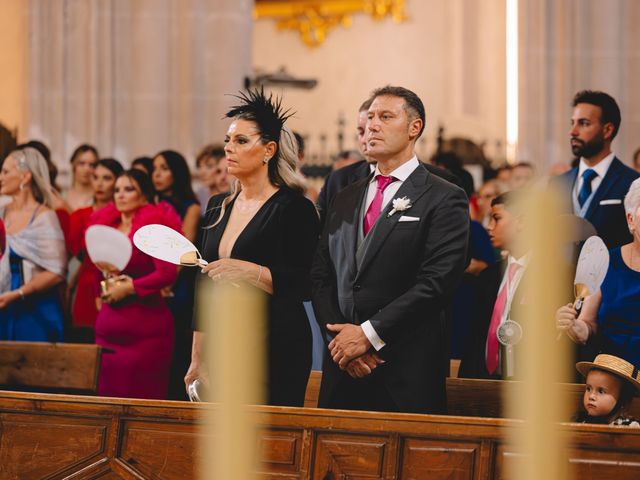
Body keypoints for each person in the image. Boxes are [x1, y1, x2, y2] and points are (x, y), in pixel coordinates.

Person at [311, 86, 469, 414]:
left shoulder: (443, 196)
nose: (372, 126)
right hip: (344, 368)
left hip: (404, 368)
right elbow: (322, 274)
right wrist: (342, 344)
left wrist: (368, 335)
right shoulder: (345, 196)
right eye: (369, 118)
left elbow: (436, 283)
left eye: (385, 117)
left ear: (415, 128)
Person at [185, 88, 320, 407]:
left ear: (268, 150)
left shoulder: (293, 207)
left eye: (241, 141)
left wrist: (250, 271)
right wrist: (196, 356)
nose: (229, 149)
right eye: (228, 141)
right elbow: (203, 285)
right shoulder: (218, 206)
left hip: (274, 340)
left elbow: (307, 282)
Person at [90, 169, 180, 399]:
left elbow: (167, 273)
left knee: (140, 400)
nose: (121, 195)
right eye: (117, 190)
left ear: (144, 195)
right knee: (106, 400)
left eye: (129, 189)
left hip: (145, 331)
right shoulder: (106, 225)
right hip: (108, 329)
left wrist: (130, 287)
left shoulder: (154, 227)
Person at [556, 178, 640, 368]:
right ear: (630, 220)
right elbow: (588, 325)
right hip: (613, 377)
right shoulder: (605, 260)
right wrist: (573, 326)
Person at [553, 90, 639, 249]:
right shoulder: (557, 184)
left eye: (584, 123)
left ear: (607, 130)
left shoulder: (632, 182)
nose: (573, 132)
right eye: (572, 123)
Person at [458, 192, 530, 379]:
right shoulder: (489, 275)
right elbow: (475, 337)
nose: (489, 227)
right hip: (485, 377)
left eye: (496, 219)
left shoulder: (551, 275)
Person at [0, 148, 67, 341]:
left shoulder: (44, 217)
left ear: (25, 176)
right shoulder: (0, 212)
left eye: (6, 172)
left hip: (34, 307)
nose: (1, 177)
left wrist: (18, 293)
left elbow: (56, 271)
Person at [151, 149, 201, 400]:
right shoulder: (151, 204)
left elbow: (184, 250)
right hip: (153, 279)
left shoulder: (190, 207)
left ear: (177, 173)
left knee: (176, 343)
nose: (157, 174)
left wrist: (166, 280)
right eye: (155, 168)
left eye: (164, 168)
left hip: (177, 281)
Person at [68, 159, 124, 330]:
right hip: (86, 284)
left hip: (118, 285)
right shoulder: (80, 215)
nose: (99, 183)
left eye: (106, 178)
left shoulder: (125, 216)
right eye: (95, 177)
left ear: (117, 182)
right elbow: (75, 255)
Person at [574, 354, 640, 426]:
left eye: (601, 391)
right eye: (588, 389)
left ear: (622, 399)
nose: (591, 396)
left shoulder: (630, 427)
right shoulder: (579, 421)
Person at [194, 144, 230, 215]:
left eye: (209, 166)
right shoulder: (197, 195)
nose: (202, 172)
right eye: (199, 166)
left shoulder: (231, 195)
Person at [66, 144, 99, 211]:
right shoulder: (63, 195)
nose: (86, 169)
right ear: (73, 165)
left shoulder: (100, 198)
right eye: (82, 163)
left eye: (91, 165)